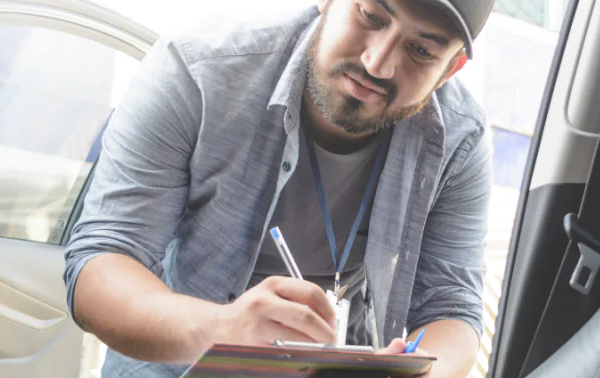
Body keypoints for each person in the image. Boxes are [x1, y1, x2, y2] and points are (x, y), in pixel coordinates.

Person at [62, 0, 495, 376]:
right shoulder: (200, 68)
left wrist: (421, 373)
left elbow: (452, 308)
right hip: (174, 365)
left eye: (420, 50)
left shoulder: (460, 139)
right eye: (371, 16)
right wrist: (222, 331)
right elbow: (101, 260)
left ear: (449, 70)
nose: (377, 63)